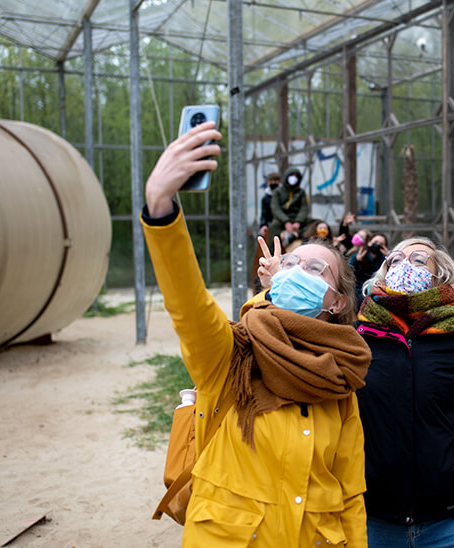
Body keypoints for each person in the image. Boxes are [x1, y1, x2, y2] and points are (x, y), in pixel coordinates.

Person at [141, 121, 371, 546]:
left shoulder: (342, 381)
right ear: (272, 282)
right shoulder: (233, 353)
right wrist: (161, 209)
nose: (298, 272)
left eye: (315, 269)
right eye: (290, 265)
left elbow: (350, 495)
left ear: (337, 302)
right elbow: (189, 305)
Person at [355, 237, 454, 546]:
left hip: (453, 520)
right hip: (372, 518)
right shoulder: (357, 340)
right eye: (395, 260)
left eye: (418, 260)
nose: (405, 264)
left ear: (438, 276)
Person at [268, 167, 310, 246]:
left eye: (296, 176)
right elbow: (276, 208)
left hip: (297, 218)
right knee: (273, 228)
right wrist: (286, 221)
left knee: (316, 223)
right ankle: (272, 252)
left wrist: (298, 221)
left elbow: (304, 208)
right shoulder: (278, 191)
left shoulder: (301, 192)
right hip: (281, 219)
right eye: (291, 175)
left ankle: (297, 236)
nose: (293, 178)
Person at [348, 232, 388, 300]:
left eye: (381, 244)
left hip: (375, 293)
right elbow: (348, 270)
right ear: (369, 242)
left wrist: (391, 259)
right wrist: (356, 260)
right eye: (375, 242)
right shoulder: (360, 255)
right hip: (357, 292)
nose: (377, 245)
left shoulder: (384, 260)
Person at [258, 171, 281, 239]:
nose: (273, 183)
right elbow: (264, 215)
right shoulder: (265, 199)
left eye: (275, 181)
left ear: (279, 182)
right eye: (271, 181)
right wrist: (263, 225)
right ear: (267, 183)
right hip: (271, 224)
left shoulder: (283, 196)